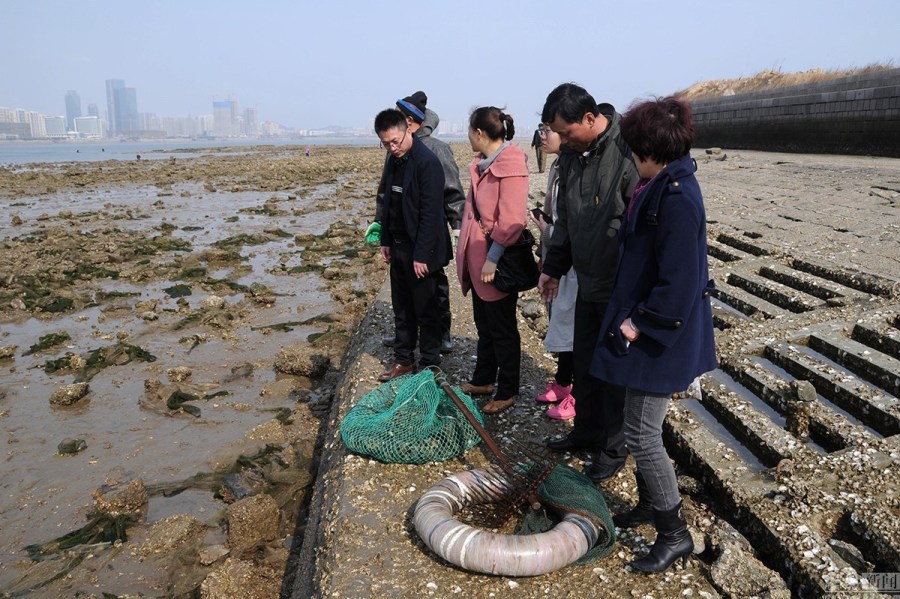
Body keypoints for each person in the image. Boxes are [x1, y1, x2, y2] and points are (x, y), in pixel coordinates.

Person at [590, 97, 716, 572]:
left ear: (649, 149)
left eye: (633, 150)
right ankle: (648, 505)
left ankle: (674, 532)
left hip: (660, 334)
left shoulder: (678, 197)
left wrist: (637, 322)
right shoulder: (658, 183)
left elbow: (680, 281)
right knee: (636, 419)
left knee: (643, 434)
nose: (630, 159)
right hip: (646, 325)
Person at [538, 83, 637, 482]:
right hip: (586, 281)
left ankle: (614, 449)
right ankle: (586, 431)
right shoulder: (572, 157)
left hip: (618, 285)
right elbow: (566, 221)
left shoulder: (626, 152)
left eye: (565, 131)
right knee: (584, 363)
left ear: (591, 119)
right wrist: (553, 267)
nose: (560, 140)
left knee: (613, 373)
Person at [368, 91, 464, 354]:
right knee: (403, 299)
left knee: (434, 291)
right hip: (401, 238)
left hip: (428, 236)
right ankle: (407, 344)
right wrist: (381, 227)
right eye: (386, 143)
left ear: (409, 122)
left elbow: (452, 192)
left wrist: (457, 225)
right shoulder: (394, 150)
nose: (391, 146)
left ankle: (441, 335)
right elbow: (386, 195)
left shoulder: (435, 151)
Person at [456, 106, 529, 415]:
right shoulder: (483, 164)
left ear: (480, 134)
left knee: (503, 329)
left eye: (469, 131)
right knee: (485, 325)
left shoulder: (510, 165)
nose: (468, 136)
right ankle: (484, 379)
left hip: (494, 264)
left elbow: (512, 220)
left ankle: (508, 389)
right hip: (477, 261)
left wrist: (492, 258)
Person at [373, 108, 450, 382]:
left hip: (423, 250)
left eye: (396, 141)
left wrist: (422, 255)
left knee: (426, 309)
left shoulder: (427, 163)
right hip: (400, 246)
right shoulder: (394, 161)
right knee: (402, 307)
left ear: (409, 129)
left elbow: (431, 213)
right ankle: (403, 360)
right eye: (386, 143)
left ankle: (430, 363)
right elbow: (388, 203)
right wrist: (385, 240)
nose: (392, 147)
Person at [530, 124, 577, 420]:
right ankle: (562, 382)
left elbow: (570, 226)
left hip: (571, 262)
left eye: (548, 130)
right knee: (558, 320)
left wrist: (546, 231)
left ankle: (575, 393)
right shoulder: (557, 167)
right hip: (555, 256)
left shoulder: (575, 168)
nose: (542, 136)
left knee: (570, 324)